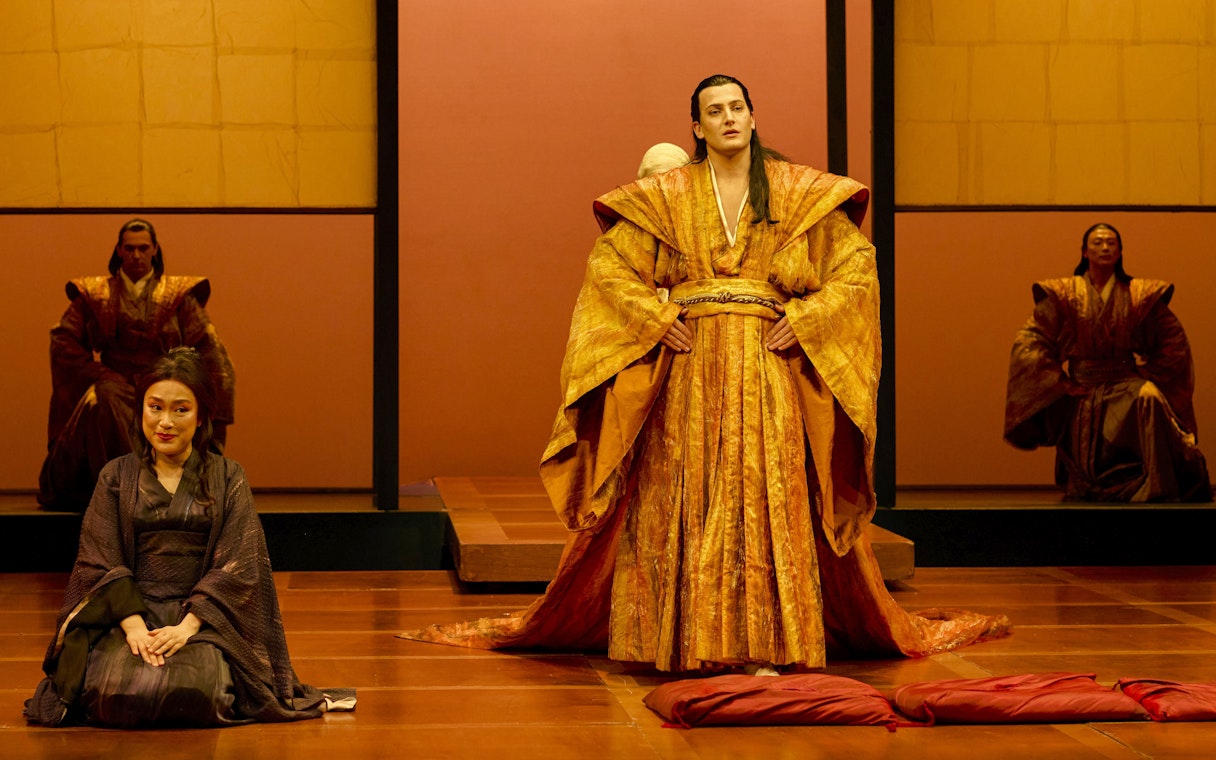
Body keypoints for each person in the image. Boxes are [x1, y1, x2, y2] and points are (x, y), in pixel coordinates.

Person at [401, 75, 1008, 672]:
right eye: (713, 111)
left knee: (767, 493)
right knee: (687, 492)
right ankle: (682, 640)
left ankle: (770, 642)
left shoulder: (796, 193)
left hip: (769, 367)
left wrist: (808, 318)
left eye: (737, 107)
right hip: (689, 369)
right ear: (697, 127)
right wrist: (652, 316)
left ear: (753, 116)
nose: (728, 118)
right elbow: (611, 267)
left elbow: (855, 268)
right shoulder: (669, 197)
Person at [24, 348, 352, 727]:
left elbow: (239, 563)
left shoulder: (228, 477)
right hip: (128, 615)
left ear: (201, 418)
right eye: (155, 407)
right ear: (141, 409)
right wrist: (135, 628)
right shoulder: (115, 476)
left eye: (180, 409)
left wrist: (186, 627)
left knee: (202, 690)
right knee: (114, 692)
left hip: (204, 619)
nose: (165, 421)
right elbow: (100, 558)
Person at [38, 218, 236, 511]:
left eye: (143, 248)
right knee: (101, 400)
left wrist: (213, 414)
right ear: (119, 250)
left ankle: (160, 483)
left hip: (164, 384)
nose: (136, 255)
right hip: (113, 384)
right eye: (129, 248)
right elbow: (63, 340)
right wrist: (99, 373)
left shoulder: (179, 297)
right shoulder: (95, 294)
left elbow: (210, 350)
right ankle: (118, 487)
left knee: (170, 408)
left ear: (155, 249)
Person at [1005, 223, 1212, 502]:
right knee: (1084, 410)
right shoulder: (1065, 294)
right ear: (1084, 252)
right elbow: (1031, 340)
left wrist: (1146, 372)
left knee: (1149, 397)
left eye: (1111, 243)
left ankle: (1157, 485)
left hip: (1125, 381)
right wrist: (1060, 383)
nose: (1105, 248)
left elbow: (1173, 341)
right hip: (1084, 383)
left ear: (1120, 252)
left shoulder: (1138, 294)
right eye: (1098, 243)